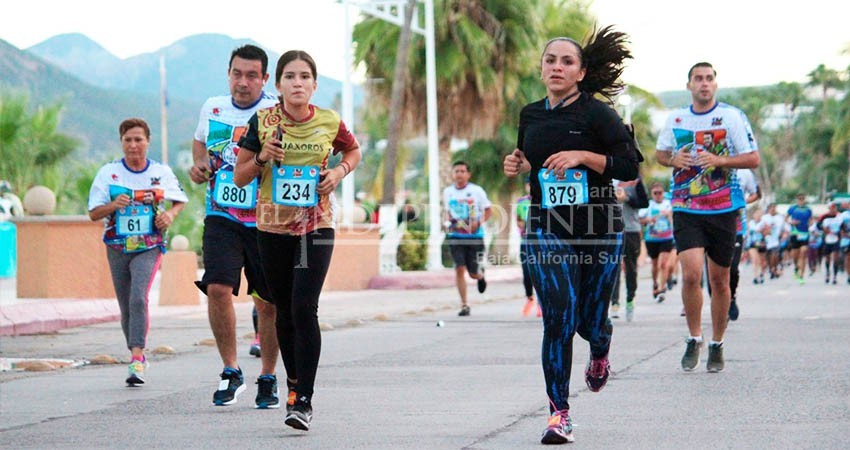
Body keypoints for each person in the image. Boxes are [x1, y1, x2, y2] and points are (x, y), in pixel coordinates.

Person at [503, 26, 640, 444]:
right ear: (542, 68)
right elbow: (532, 156)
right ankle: (558, 413)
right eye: (550, 60)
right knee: (558, 320)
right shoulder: (531, 113)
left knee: (590, 322)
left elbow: (629, 166)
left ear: (581, 72)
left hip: (598, 229)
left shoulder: (598, 114)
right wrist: (518, 162)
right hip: (547, 226)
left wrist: (583, 155)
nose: (557, 67)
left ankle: (601, 347)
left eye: (566, 61)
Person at [233, 49, 361, 431]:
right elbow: (240, 176)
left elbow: (353, 151)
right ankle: (292, 383)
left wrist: (338, 172)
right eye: (290, 77)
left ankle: (303, 398)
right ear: (278, 85)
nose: (298, 83)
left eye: (305, 76)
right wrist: (261, 159)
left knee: (305, 307)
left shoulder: (329, 121)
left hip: (315, 225)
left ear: (315, 84)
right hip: (272, 227)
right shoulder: (263, 121)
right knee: (284, 310)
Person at [188, 44, 281, 408]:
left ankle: (268, 377)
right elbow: (199, 143)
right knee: (217, 288)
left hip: (266, 219)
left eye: (251, 76)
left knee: (268, 301)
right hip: (221, 214)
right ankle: (230, 370)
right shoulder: (212, 107)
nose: (243, 83)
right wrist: (198, 166)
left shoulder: (275, 111)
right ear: (228, 73)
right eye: (237, 74)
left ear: (264, 78)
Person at [656, 62, 759, 373]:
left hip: (724, 207)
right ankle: (693, 336)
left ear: (716, 84)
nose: (704, 83)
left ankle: (717, 343)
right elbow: (660, 154)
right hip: (687, 206)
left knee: (719, 280)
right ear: (689, 85)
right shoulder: (675, 118)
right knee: (689, 275)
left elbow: (753, 158)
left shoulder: (731, 117)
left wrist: (720, 159)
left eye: (709, 78)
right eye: (698, 79)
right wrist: (673, 158)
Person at [87, 118, 187, 386]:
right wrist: (113, 205)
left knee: (138, 297)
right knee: (126, 306)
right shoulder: (108, 173)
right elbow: (93, 213)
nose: (133, 145)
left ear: (148, 141)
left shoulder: (160, 172)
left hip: (149, 244)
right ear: (121, 143)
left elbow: (180, 200)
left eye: (138, 139)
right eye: (128, 140)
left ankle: (137, 358)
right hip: (117, 245)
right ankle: (135, 351)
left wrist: (170, 215)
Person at [443, 161, 492, 317]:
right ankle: (464, 304)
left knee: (472, 273)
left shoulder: (476, 191)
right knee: (459, 268)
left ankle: (480, 275)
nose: (459, 174)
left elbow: (488, 210)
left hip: (474, 236)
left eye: (462, 171)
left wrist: (478, 222)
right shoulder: (448, 192)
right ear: (453, 174)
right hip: (455, 236)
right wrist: (446, 223)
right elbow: (447, 212)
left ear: (468, 174)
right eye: (456, 171)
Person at [726, 168, 760, 320]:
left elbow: (756, 194)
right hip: (710, 221)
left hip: (737, 225)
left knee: (732, 267)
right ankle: (718, 301)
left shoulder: (744, 172)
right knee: (714, 269)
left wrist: (741, 202)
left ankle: (731, 298)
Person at [612, 177, 648, 321]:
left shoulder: (636, 182)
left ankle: (630, 299)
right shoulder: (608, 179)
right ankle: (614, 302)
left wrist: (626, 197)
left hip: (631, 229)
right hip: (612, 229)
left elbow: (644, 203)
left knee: (631, 267)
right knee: (613, 266)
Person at [639, 182, 675, 304]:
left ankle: (662, 288)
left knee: (664, 264)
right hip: (652, 239)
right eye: (655, 193)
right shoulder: (648, 205)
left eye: (660, 193)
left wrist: (670, 215)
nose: (658, 195)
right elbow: (640, 220)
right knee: (655, 265)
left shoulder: (668, 205)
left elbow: (675, 219)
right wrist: (649, 220)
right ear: (652, 194)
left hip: (666, 238)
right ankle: (655, 283)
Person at [516, 179, 541, 317]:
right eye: (529, 184)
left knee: (540, 271)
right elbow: (518, 219)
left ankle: (541, 303)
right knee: (527, 272)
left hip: (541, 241)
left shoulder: (544, 200)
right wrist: (523, 225)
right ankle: (529, 298)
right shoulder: (521, 202)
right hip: (525, 241)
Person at [786, 193, 813, 284]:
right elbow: (786, 219)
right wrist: (791, 222)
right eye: (799, 199)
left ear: (804, 199)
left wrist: (810, 224)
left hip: (805, 234)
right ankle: (796, 268)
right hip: (795, 233)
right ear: (797, 200)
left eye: (803, 199)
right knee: (795, 255)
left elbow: (811, 220)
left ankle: (801, 276)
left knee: (803, 253)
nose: (801, 200)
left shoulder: (808, 209)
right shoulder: (792, 208)